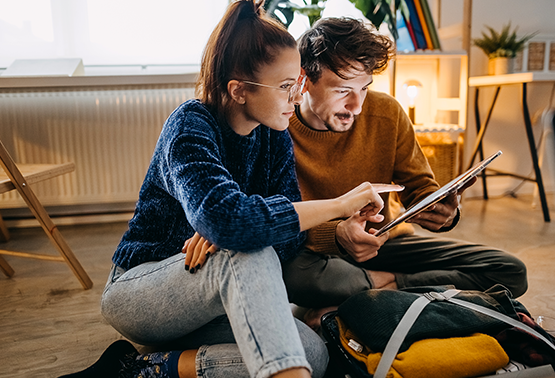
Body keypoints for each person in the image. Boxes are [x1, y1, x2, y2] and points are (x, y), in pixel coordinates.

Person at [60, 3, 398, 378]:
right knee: (246, 251)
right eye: (287, 87)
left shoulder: (274, 137)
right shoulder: (190, 126)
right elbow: (233, 223)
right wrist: (337, 206)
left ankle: (143, 368)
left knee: (312, 354)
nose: (297, 98)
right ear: (239, 91)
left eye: (298, 84)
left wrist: (234, 228)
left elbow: (285, 245)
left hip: (213, 297)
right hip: (141, 292)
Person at [282, 17, 528, 327]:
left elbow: (419, 187)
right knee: (287, 272)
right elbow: (277, 221)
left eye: (364, 88)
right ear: (304, 81)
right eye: (343, 90)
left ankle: (384, 288)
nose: (356, 106)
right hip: (315, 252)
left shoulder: (387, 113)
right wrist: (337, 234)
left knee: (509, 270)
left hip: (384, 244)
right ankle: (399, 294)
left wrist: (441, 210)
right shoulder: (278, 126)